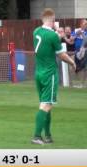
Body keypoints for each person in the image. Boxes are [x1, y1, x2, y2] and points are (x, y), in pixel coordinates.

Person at [32, 8, 76, 145]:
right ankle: (37, 136)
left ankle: (48, 135)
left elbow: (49, 37)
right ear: (52, 20)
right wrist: (72, 62)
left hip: (38, 73)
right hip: (49, 73)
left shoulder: (36, 32)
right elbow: (62, 55)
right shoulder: (52, 36)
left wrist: (56, 31)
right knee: (46, 105)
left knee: (46, 104)